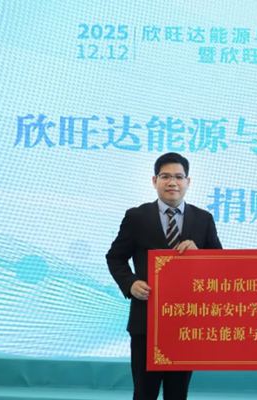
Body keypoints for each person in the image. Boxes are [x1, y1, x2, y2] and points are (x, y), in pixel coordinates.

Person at [107, 152, 222, 400]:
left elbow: (219, 265)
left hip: (185, 322)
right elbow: (115, 257)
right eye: (165, 176)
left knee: (177, 394)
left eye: (179, 177)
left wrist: (200, 255)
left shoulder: (203, 219)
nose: (172, 182)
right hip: (146, 321)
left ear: (188, 182)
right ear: (154, 180)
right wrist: (130, 283)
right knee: (144, 393)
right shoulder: (136, 217)